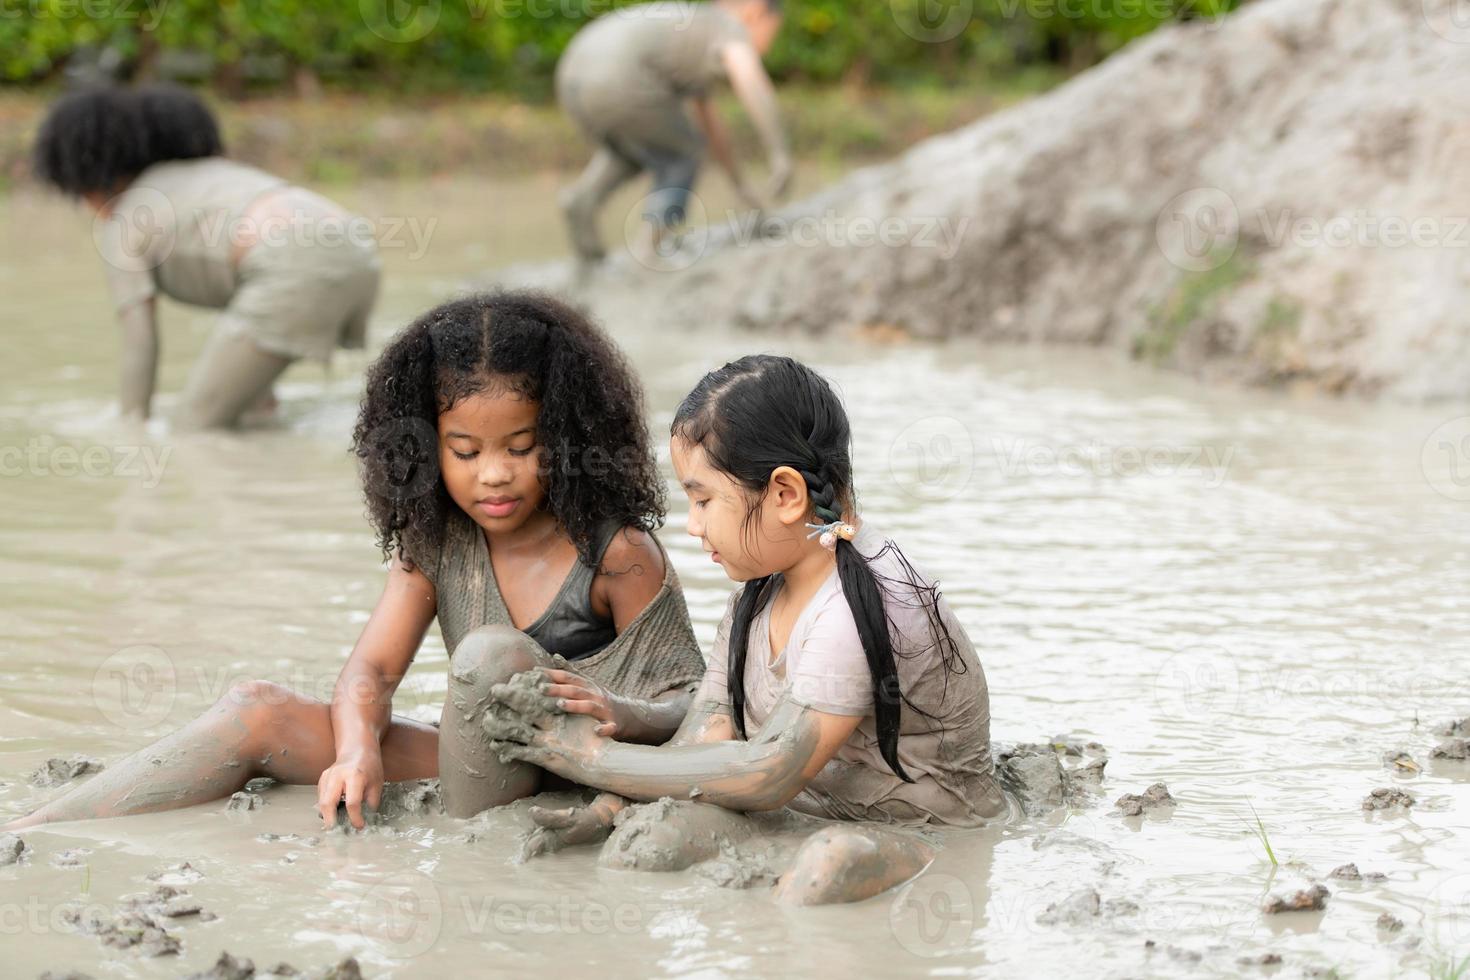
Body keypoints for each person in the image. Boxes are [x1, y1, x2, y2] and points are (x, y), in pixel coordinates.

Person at [1, 291, 707, 832]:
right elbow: (370, 671)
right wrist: (359, 751)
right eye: (465, 451)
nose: (493, 475)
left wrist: (612, 709)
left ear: (563, 434)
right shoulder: (437, 542)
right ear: (426, 448)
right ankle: (47, 828)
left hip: (575, 769)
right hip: (471, 756)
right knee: (257, 709)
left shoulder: (616, 554)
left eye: (520, 448)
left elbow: (693, 703)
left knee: (494, 651)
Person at [485, 354, 1006, 905]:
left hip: (927, 835)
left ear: (785, 495)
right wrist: (608, 807)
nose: (692, 524)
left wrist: (590, 760)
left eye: (703, 499)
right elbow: (709, 732)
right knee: (646, 845)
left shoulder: (861, 602)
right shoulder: (758, 593)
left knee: (829, 864)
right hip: (807, 812)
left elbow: (770, 772)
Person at [32, 84, 382, 430]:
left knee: (193, 430)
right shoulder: (211, 173)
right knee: (249, 412)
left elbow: (140, 343)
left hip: (291, 265)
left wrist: (131, 429)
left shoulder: (124, 219)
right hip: (357, 249)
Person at [555, 0, 792, 265]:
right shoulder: (729, 28)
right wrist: (779, 153)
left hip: (573, 76)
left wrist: (741, 187)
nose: (768, 45)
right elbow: (751, 83)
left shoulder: (693, 32)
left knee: (634, 153)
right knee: (682, 155)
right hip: (619, 79)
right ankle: (650, 246)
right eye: (772, 32)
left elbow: (711, 128)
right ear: (756, 11)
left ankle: (581, 201)